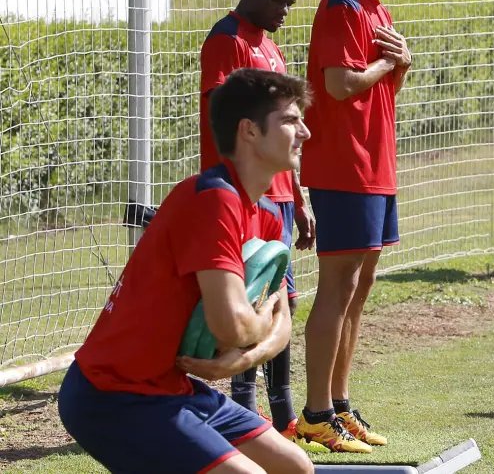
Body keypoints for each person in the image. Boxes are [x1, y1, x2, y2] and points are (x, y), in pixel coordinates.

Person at [58, 68, 314, 474]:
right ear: (249, 130)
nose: (305, 132)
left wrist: (243, 359)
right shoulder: (212, 200)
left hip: (172, 388)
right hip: (110, 395)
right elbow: (232, 326)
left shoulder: (265, 214)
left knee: (296, 467)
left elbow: (283, 321)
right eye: (289, 120)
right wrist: (261, 324)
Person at [296, 0, 424, 453]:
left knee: (361, 285)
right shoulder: (342, 6)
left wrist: (402, 65)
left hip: (376, 166)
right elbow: (341, 84)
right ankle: (315, 414)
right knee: (338, 286)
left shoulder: (379, 12)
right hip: (344, 167)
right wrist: (386, 65)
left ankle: (340, 405)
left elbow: (378, 91)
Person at [199, 0, 323, 453]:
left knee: (284, 302)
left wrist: (300, 198)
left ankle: (285, 414)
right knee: (251, 300)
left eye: (289, 4)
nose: (283, 11)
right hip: (243, 197)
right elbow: (224, 116)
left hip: (280, 199)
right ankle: (245, 411)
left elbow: (285, 133)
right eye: (276, 0)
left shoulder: (272, 48)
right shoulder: (226, 40)